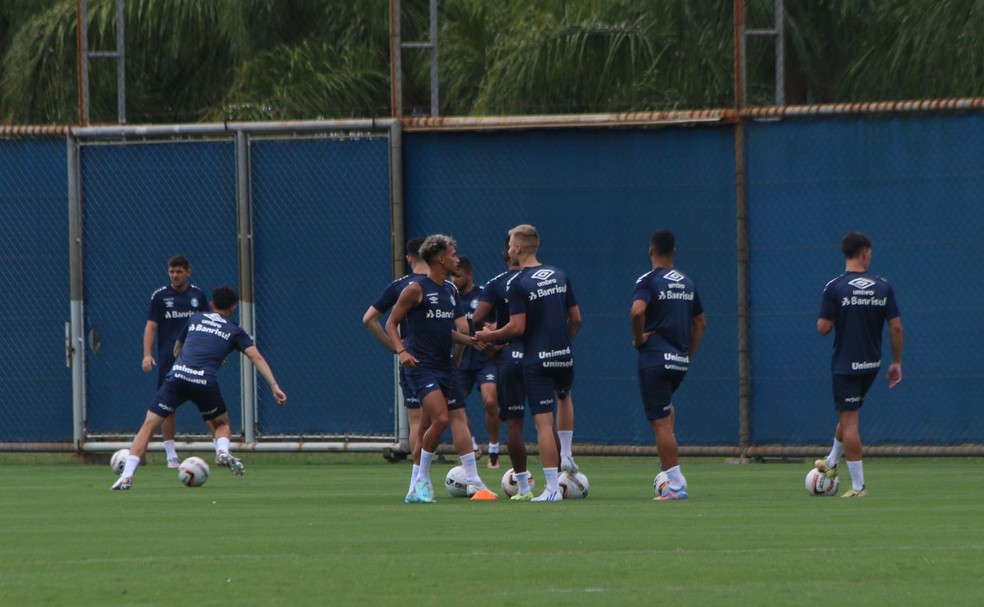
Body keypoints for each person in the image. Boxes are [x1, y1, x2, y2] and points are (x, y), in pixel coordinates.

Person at [112, 286, 287, 490]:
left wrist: (186, 359)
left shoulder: (195, 319)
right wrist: (274, 386)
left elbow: (177, 349)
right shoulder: (235, 331)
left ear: (212, 305)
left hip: (177, 377)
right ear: (233, 308)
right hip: (205, 381)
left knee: (148, 426)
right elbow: (256, 357)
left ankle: (127, 475)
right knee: (222, 425)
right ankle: (221, 450)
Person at [475, 224, 581, 502]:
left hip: (537, 359)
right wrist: (565, 343)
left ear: (518, 248)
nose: (508, 249)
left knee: (543, 424)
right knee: (565, 397)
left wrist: (491, 335)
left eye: (510, 243)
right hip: (564, 355)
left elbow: (517, 327)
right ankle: (567, 456)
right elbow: (577, 318)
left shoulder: (519, 283)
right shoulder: (560, 275)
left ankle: (550, 489)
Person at [385, 234, 492, 503]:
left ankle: (475, 482)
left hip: (445, 366)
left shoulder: (450, 290)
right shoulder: (415, 289)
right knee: (441, 419)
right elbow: (390, 324)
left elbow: (446, 330)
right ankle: (421, 480)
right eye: (453, 254)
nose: (457, 259)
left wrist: (470, 340)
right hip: (421, 367)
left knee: (458, 419)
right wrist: (402, 351)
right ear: (441, 258)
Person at [815, 231, 903, 498]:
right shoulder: (883, 286)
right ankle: (831, 462)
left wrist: (831, 316)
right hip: (872, 364)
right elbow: (896, 328)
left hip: (845, 364)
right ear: (865, 252)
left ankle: (858, 487)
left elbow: (823, 328)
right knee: (848, 413)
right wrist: (896, 362)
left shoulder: (835, 287)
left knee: (850, 422)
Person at [629, 229, 706, 501]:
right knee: (666, 408)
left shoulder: (648, 280)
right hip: (678, 360)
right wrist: (687, 354)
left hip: (655, 358)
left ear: (651, 251)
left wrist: (638, 338)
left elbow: (637, 311)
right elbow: (700, 323)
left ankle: (675, 485)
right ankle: (669, 466)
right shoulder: (687, 282)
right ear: (674, 251)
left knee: (660, 423)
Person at [362, 237, 432, 502]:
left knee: (417, 421)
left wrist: (396, 347)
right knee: (449, 418)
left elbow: (369, 319)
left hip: (413, 361)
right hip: (441, 361)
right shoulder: (445, 285)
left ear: (409, 258)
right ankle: (472, 478)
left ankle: (418, 482)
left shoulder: (401, 286)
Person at [473, 238, 534, 499]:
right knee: (545, 422)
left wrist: (490, 339)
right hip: (542, 354)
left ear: (508, 254)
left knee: (515, 425)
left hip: (511, 355)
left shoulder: (496, 283)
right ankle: (557, 482)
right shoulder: (545, 279)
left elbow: (476, 319)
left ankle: (524, 488)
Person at [142, 255, 209, 468]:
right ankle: (171, 454)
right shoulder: (160, 297)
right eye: (171, 271)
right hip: (169, 361)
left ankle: (222, 449)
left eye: (179, 271)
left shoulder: (198, 296)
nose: (175, 275)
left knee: (209, 404)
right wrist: (147, 354)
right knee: (167, 407)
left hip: (196, 360)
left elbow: (208, 326)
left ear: (188, 272)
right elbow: (151, 326)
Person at [451, 255, 501, 468]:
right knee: (455, 405)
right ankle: (471, 446)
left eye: (458, 275)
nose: (454, 279)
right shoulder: (449, 297)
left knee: (490, 400)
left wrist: (490, 331)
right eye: (452, 275)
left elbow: (499, 322)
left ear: (469, 274)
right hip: (461, 359)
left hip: (484, 358)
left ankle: (494, 450)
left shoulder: (483, 295)